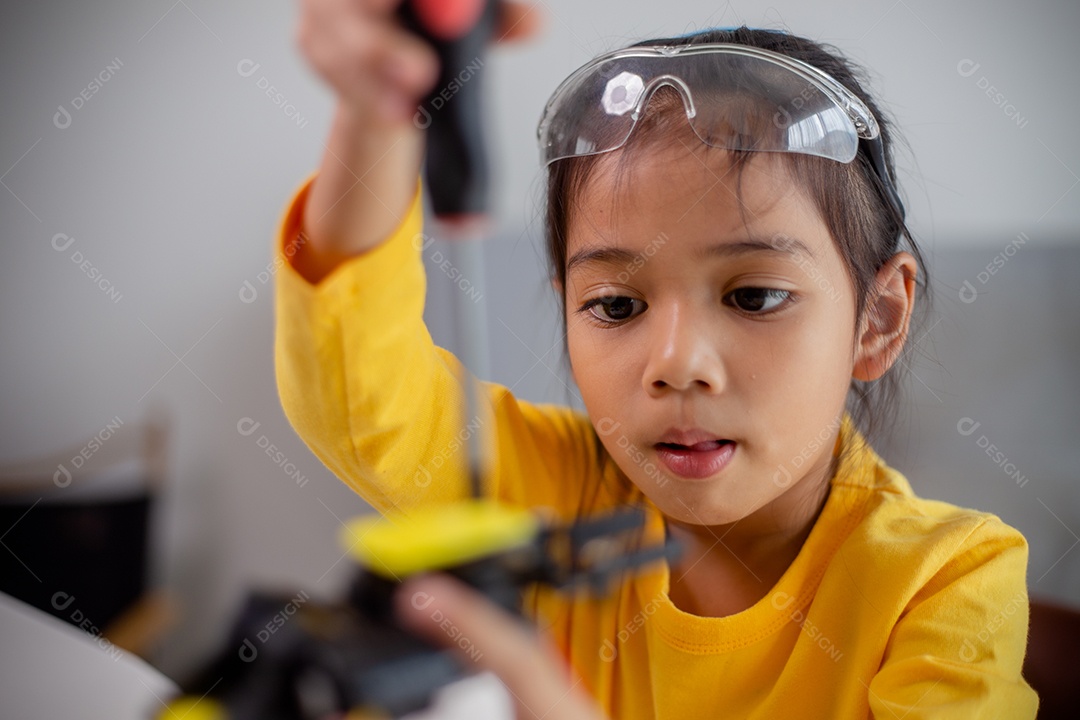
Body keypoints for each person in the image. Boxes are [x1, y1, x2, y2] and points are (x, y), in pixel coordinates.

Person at [278, 0, 1039, 716]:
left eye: (754, 297)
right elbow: (361, 392)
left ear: (878, 318)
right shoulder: (552, 494)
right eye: (616, 306)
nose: (677, 363)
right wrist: (378, 113)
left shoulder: (946, 581)